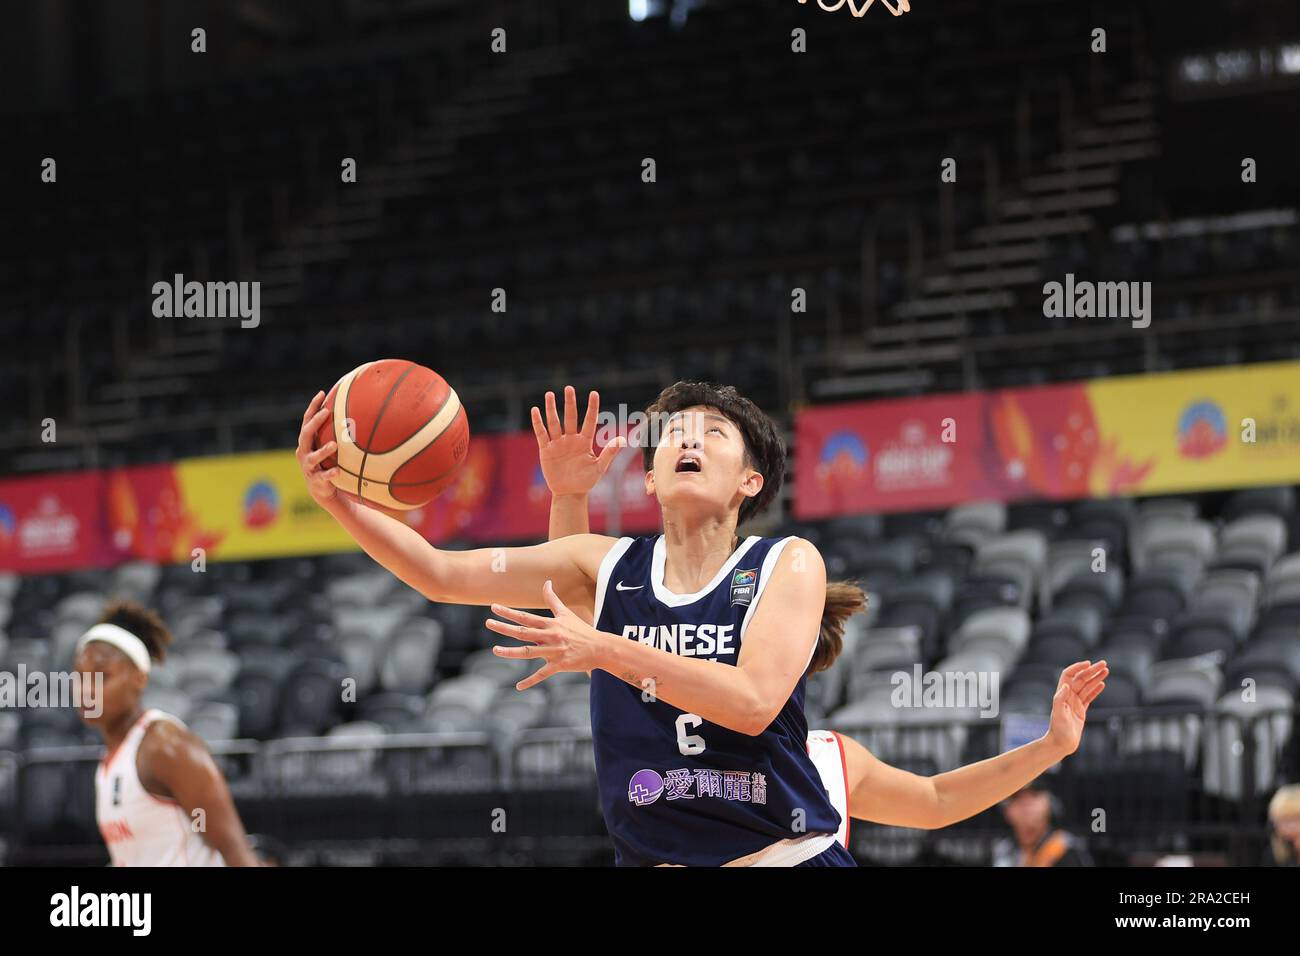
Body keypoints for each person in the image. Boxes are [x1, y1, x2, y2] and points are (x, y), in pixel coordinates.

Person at [298, 381, 1107, 866]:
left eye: (711, 433)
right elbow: (438, 574)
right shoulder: (610, 566)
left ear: (749, 479)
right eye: (673, 433)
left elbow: (758, 703)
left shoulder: (785, 564)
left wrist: (1048, 748)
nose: (688, 438)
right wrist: (337, 499)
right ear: (648, 475)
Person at [73, 601, 260, 866]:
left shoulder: (167, 748)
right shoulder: (109, 760)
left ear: (140, 678)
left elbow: (237, 853)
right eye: (80, 676)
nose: (87, 689)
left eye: (102, 677)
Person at [991, 774, 1094, 866]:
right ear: (1006, 811)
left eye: (1034, 795)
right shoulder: (1003, 851)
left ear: (1050, 804)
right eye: (1017, 797)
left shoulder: (1065, 847)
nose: (1026, 804)